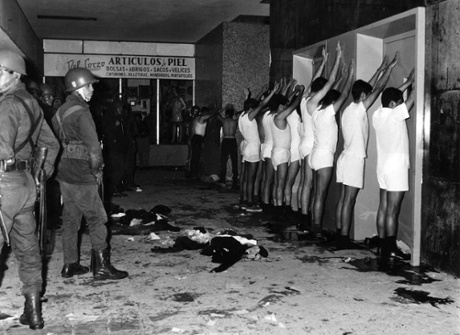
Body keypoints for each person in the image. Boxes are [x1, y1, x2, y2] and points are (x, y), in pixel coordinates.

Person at [0, 50, 59, 330]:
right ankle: (33, 312)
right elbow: (51, 143)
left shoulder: (7, 104)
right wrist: (39, 175)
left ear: (15, 75)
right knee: (28, 249)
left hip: (3, 184)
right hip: (25, 186)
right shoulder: (31, 103)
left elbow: (1, 148)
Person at [51, 67, 128, 282]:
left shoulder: (60, 112)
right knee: (97, 218)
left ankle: (70, 264)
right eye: (89, 85)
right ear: (78, 87)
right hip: (81, 173)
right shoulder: (82, 112)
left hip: (64, 171)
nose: (92, 89)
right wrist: (96, 171)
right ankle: (102, 267)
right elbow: (94, 149)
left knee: (70, 218)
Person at [335, 54, 399, 249]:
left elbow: (368, 88)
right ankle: (344, 239)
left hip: (345, 157)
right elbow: (378, 89)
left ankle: (340, 234)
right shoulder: (358, 110)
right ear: (363, 97)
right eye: (366, 95)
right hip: (354, 159)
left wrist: (379, 69)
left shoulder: (347, 109)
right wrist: (388, 70)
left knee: (343, 199)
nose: (369, 98)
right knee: (349, 201)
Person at [309, 44, 353, 238]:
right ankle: (316, 228)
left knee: (316, 193)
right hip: (325, 156)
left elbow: (333, 89)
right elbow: (342, 94)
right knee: (320, 194)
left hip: (314, 155)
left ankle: (314, 224)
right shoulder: (328, 112)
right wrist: (350, 75)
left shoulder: (315, 110)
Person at [372, 70, 415, 265]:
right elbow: (412, 99)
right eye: (398, 102)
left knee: (383, 207)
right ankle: (391, 249)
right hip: (396, 168)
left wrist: (408, 82)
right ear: (393, 105)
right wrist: (419, 80)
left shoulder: (378, 114)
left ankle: (382, 245)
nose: (400, 104)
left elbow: (393, 97)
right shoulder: (395, 115)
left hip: (383, 167)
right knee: (393, 211)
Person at [298, 47, 329, 231]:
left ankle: (303, 216)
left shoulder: (304, 99)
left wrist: (323, 63)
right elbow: (319, 86)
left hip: (304, 143)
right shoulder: (314, 102)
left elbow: (312, 83)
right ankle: (309, 220)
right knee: (310, 185)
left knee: (304, 183)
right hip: (311, 145)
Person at [238, 83, 279, 212]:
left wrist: (248, 95)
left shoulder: (242, 115)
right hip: (253, 149)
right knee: (251, 178)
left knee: (246, 177)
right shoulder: (250, 116)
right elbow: (260, 105)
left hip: (246, 147)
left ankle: (244, 200)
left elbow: (251, 104)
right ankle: (250, 203)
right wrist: (272, 93)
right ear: (251, 109)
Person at [270, 84, 304, 218]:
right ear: (279, 106)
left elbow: (288, 103)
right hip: (281, 153)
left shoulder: (276, 116)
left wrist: (294, 91)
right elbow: (292, 105)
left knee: (280, 183)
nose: (284, 107)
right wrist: (300, 93)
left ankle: (281, 207)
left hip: (279, 152)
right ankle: (280, 210)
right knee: (281, 183)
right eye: (282, 105)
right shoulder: (279, 117)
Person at [102, 100, 129, 198]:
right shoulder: (111, 119)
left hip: (120, 147)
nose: (121, 110)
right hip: (114, 148)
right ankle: (112, 189)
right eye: (119, 108)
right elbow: (107, 131)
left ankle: (115, 188)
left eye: (121, 108)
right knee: (118, 169)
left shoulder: (120, 119)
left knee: (121, 168)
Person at [189, 105, 218, 179]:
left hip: (197, 138)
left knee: (196, 156)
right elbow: (211, 115)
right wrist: (216, 108)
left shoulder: (197, 118)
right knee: (196, 156)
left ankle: (194, 173)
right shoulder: (201, 118)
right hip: (198, 138)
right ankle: (193, 174)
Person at [218, 104, 239, 188]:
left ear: (226, 114)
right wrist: (234, 110)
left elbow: (216, 114)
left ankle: (222, 179)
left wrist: (224, 108)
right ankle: (235, 179)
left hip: (226, 140)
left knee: (223, 160)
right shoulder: (235, 121)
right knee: (234, 161)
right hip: (232, 140)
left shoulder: (224, 120)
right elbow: (239, 115)